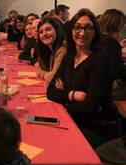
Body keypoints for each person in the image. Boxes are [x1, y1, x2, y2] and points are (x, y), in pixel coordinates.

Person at [47, 9, 120, 148]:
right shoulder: (69, 57)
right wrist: (73, 94)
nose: (82, 33)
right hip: (75, 120)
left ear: (95, 32)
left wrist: (64, 99)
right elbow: (50, 91)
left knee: (57, 146)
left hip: (98, 128)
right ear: (71, 30)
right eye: (78, 27)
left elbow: (89, 107)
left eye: (88, 28)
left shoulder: (101, 59)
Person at [99, 9, 126, 101]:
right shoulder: (111, 42)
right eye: (122, 24)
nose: (123, 27)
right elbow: (118, 71)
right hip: (106, 90)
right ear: (116, 25)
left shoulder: (98, 38)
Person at [36, 18, 66, 88]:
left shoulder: (62, 50)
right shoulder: (48, 49)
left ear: (57, 30)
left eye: (48, 29)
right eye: (41, 32)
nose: (45, 34)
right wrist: (47, 74)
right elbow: (39, 69)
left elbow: (51, 80)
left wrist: (45, 74)